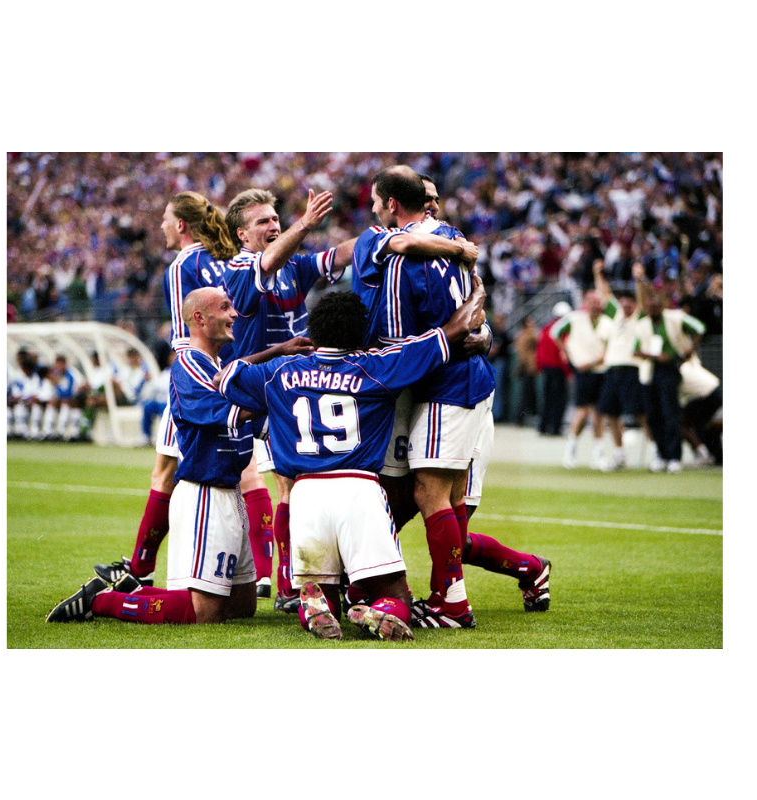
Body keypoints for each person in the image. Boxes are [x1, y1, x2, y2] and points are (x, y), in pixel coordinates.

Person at [214, 283, 487, 641]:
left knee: (322, 587)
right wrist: (477, 295)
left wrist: (275, 350)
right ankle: (383, 610)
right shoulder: (379, 367)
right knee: (395, 593)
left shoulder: (279, 372)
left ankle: (314, 606)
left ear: (314, 331)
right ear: (361, 333)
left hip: (305, 494)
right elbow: (452, 332)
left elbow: (225, 377)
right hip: (359, 489)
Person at [93, 189, 331, 593]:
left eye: (166, 219)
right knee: (253, 474)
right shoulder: (228, 258)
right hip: (238, 368)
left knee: (166, 472)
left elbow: (184, 337)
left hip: (199, 374)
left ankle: (141, 569)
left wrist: (190, 383)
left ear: (181, 225)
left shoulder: (183, 263)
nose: (162, 227)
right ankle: (263, 574)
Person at [352, 166, 551, 627]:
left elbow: (401, 340)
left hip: (442, 383)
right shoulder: (453, 240)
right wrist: (473, 331)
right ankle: (524, 570)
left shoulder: (398, 256)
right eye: (431, 197)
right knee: (423, 500)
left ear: (390, 205)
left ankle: (450, 603)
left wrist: (469, 335)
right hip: (454, 382)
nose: (437, 205)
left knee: (429, 496)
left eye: (379, 204)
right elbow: (473, 299)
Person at [47, 287, 262, 624]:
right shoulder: (189, 364)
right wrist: (269, 399)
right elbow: (212, 411)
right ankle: (101, 602)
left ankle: (128, 590)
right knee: (204, 613)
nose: (234, 314)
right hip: (205, 495)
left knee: (241, 606)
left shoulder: (218, 366)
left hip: (230, 492)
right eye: (224, 307)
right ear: (199, 318)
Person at [223, 188, 355, 608]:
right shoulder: (242, 266)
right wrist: (304, 224)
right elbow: (270, 259)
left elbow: (335, 257)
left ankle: (300, 583)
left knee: (299, 485)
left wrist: (384, 236)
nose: (273, 224)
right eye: (262, 221)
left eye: (275, 217)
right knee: (288, 486)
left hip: (298, 384)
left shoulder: (292, 266)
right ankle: (287, 587)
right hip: (263, 387)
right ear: (243, 235)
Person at [634, 284, 706, 473]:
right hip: (651, 370)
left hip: (670, 369)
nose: (652, 310)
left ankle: (675, 456)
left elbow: (700, 327)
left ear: (662, 306)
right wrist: (655, 356)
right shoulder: (642, 324)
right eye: (649, 307)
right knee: (653, 414)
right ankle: (661, 454)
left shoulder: (674, 318)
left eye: (655, 307)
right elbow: (636, 350)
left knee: (670, 413)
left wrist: (690, 349)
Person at [593, 260, 652, 470]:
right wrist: (597, 273)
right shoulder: (617, 314)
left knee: (640, 412)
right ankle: (619, 453)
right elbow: (604, 294)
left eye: (630, 302)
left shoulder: (640, 317)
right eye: (624, 301)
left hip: (630, 369)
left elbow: (645, 299)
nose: (626, 304)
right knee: (611, 412)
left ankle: (655, 450)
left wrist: (639, 279)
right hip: (612, 370)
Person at [551, 287, 612, 469]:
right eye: (591, 301)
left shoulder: (607, 322)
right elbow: (556, 332)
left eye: (597, 301)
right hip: (584, 372)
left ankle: (598, 454)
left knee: (599, 414)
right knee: (582, 412)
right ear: (586, 302)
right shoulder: (575, 318)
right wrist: (566, 352)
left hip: (601, 371)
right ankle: (571, 450)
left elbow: (610, 346)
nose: (595, 304)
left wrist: (598, 359)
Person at [536, 301, 572, 436]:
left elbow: (539, 351)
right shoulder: (562, 331)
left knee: (547, 399)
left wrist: (540, 367)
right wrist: (568, 372)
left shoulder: (545, 329)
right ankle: (555, 428)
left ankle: (543, 426)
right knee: (559, 400)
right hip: (558, 370)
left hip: (546, 370)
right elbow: (562, 353)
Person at [679, 356, 723, 466]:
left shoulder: (676, 371)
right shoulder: (688, 365)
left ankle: (704, 455)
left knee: (681, 423)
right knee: (701, 425)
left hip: (710, 394)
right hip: (713, 392)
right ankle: (715, 456)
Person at [513, 315, 539, 425]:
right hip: (528, 367)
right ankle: (521, 418)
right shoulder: (528, 335)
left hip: (526, 366)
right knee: (526, 394)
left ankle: (522, 418)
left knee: (528, 393)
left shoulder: (520, 335)